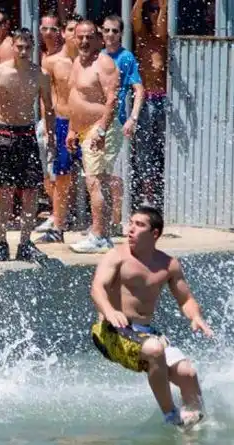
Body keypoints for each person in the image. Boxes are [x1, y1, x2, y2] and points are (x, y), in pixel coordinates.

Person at [89, 206, 213, 427]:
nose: (131, 229)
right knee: (155, 349)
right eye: (131, 223)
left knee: (188, 373)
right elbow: (97, 288)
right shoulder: (116, 256)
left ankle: (194, 425)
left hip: (145, 333)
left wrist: (196, 317)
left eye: (139, 225)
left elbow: (186, 299)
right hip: (111, 331)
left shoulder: (168, 265)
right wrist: (110, 311)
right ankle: (171, 416)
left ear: (154, 233)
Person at [0, 28, 55, 262]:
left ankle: (25, 242)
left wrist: (51, 138)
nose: (23, 51)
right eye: (19, 47)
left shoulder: (41, 75)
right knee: (4, 191)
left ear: (33, 47)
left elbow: (49, 108)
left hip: (27, 134)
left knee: (31, 191)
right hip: (4, 134)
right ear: (13, 47)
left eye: (27, 47)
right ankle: (2, 241)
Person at [65, 20, 119, 254]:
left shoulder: (104, 63)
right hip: (84, 129)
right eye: (81, 37)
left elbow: (112, 100)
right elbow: (76, 97)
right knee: (97, 182)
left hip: (101, 129)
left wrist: (102, 130)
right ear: (74, 39)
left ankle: (99, 235)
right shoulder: (77, 62)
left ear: (98, 39)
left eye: (89, 37)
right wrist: (72, 129)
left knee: (95, 182)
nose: (85, 41)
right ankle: (102, 234)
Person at [35, 14, 80, 243]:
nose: (75, 35)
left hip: (85, 124)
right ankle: (58, 223)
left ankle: (100, 227)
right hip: (61, 122)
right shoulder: (51, 62)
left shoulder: (91, 62)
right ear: (63, 32)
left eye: (78, 31)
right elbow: (47, 97)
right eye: (71, 30)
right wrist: (47, 124)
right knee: (59, 175)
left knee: (94, 176)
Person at [101, 15, 145, 237]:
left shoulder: (126, 57)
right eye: (107, 30)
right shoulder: (98, 56)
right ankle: (102, 221)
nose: (110, 35)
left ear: (121, 33)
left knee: (112, 175)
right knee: (98, 174)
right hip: (96, 122)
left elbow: (139, 89)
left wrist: (133, 118)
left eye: (115, 31)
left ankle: (115, 221)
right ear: (101, 32)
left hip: (116, 122)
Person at [132, 0, 168, 211]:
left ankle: (163, 193)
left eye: (157, 10)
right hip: (145, 99)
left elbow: (162, 28)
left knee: (163, 147)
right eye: (151, 10)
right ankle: (148, 195)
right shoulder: (142, 38)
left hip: (163, 99)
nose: (155, 13)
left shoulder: (163, 41)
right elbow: (134, 17)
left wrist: (163, 7)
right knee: (145, 149)